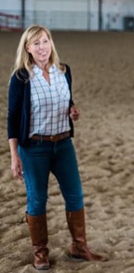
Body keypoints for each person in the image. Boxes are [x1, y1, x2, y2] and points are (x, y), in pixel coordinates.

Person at [8, 25, 106, 270]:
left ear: (51, 43)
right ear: (28, 49)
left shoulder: (64, 71)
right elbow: (12, 118)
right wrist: (14, 156)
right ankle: (40, 252)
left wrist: (73, 110)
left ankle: (79, 246)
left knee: (75, 196)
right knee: (37, 200)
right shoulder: (21, 78)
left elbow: (67, 100)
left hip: (63, 145)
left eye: (45, 41)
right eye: (36, 43)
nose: (42, 47)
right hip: (34, 148)